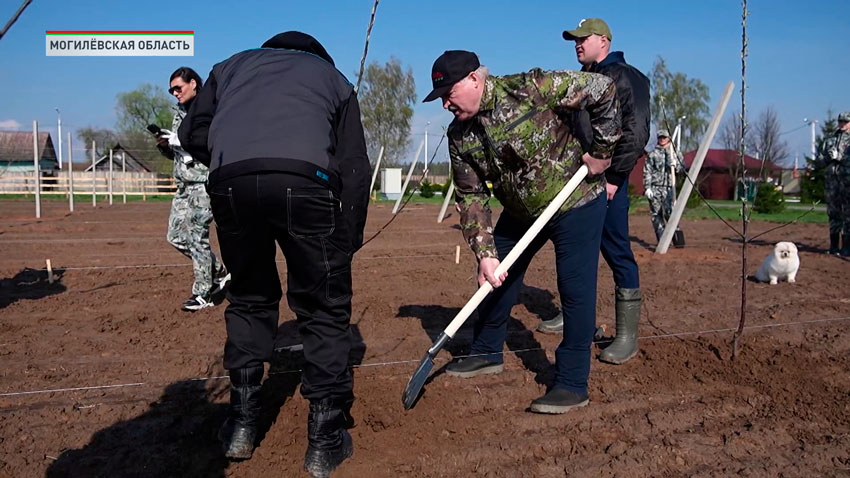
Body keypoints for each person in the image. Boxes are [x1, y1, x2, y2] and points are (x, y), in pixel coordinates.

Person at [179, 32, 370, 476]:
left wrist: (235, 156)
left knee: (249, 298)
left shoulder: (229, 67)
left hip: (232, 183)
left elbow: (192, 131)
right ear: (317, 57)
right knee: (323, 307)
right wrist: (348, 239)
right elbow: (355, 167)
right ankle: (324, 443)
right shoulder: (335, 80)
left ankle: (242, 426)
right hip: (307, 183)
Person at [423, 50, 620, 413]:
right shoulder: (459, 136)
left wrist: (603, 150)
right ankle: (486, 351)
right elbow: (471, 196)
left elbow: (602, 87)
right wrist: (485, 254)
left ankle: (573, 383)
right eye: (441, 99)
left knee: (574, 291)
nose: (445, 104)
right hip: (521, 211)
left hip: (573, 201)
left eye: (449, 94)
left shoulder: (529, 88)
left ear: (474, 80)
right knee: (495, 277)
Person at [537, 18, 650, 366]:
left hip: (608, 182)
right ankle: (575, 318)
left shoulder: (624, 76)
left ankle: (627, 337)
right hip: (580, 180)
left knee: (616, 250)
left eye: (583, 39)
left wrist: (616, 176)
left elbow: (636, 130)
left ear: (604, 40)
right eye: (574, 40)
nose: (577, 44)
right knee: (574, 247)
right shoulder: (588, 78)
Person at [156, 66, 229, 312]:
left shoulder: (209, 110)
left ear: (194, 84)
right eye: (171, 90)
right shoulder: (179, 113)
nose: (174, 93)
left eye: (178, 87)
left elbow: (210, 143)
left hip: (203, 182)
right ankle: (219, 272)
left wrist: (182, 139)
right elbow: (180, 153)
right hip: (183, 184)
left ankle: (203, 294)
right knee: (175, 237)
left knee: (197, 236)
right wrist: (166, 146)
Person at [813, 112, 850, 255]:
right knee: (833, 214)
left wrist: (840, 157)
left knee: (848, 215)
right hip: (832, 183)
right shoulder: (830, 140)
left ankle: (847, 247)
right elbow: (819, 162)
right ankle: (834, 246)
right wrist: (828, 158)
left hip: (847, 183)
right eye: (841, 121)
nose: (843, 124)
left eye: (846, 122)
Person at [643, 129, 685, 241]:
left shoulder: (675, 152)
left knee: (670, 213)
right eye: (660, 137)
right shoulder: (652, 153)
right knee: (656, 215)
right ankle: (662, 240)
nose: (662, 139)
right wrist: (647, 187)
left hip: (669, 188)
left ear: (669, 138)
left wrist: (676, 165)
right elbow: (648, 170)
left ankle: (676, 238)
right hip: (655, 187)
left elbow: (682, 171)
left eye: (664, 137)